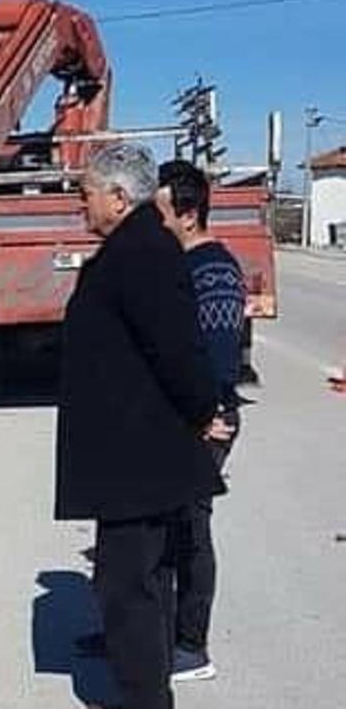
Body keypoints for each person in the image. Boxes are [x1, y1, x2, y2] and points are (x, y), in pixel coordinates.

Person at [56, 143, 222, 709]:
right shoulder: (135, 247)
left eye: (86, 194)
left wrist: (205, 410)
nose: (80, 205)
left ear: (118, 198)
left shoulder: (144, 253)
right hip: (129, 450)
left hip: (140, 454)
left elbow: (179, 349)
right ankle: (136, 699)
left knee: (132, 588)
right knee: (133, 582)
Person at [156, 160, 247, 682]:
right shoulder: (181, 264)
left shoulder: (212, 270)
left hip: (204, 421)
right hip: (183, 418)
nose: (156, 221)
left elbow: (217, 355)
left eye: (162, 211)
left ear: (187, 214)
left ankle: (191, 647)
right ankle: (150, 630)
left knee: (189, 528)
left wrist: (205, 414)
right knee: (158, 529)